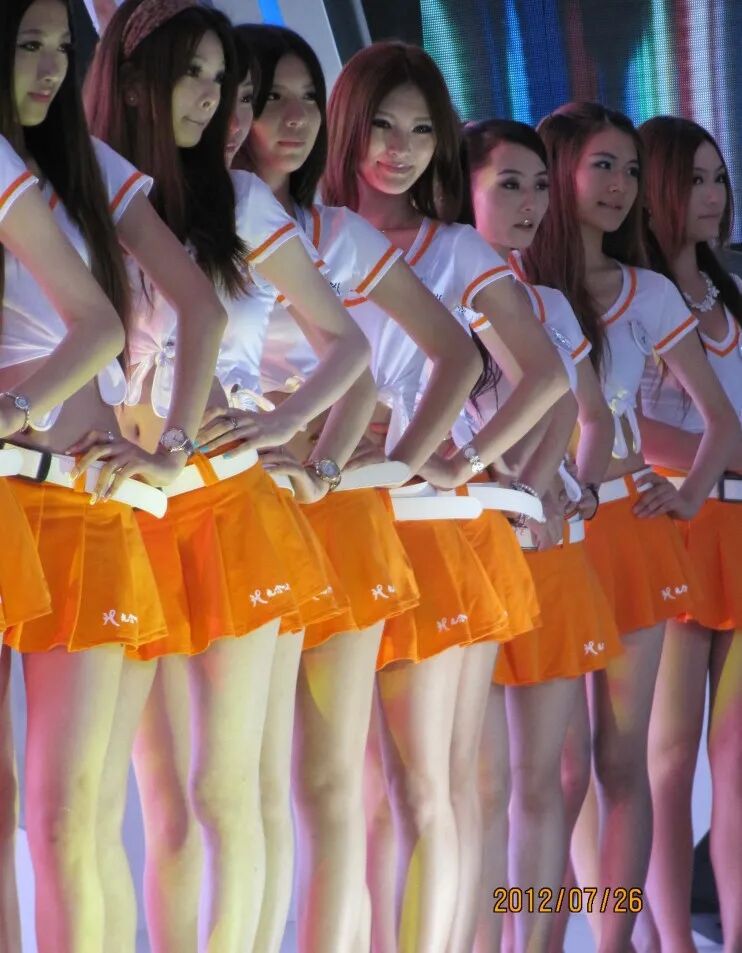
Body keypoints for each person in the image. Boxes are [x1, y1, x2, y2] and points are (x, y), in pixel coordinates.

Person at [85, 4, 371, 950]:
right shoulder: (86, 193)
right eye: (192, 74)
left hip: (228, 501)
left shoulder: (242, 201)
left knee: (227, 786)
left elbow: (347, 345)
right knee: (163, 795)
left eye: (221, 80)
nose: (211, 99)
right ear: (133, 82)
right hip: (129, 503)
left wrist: (281, 426)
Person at [238, 24, 493, 953]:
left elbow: (453, 357)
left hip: (336, 512)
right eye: (270, 99)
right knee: (242, 782)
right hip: (232, 508)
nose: (293, 119)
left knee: (336, 782)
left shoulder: (336, 234)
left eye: (307, 98)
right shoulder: (198, 217)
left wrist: (365, 459)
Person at [325, 42, 570, 953]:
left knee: (432, 785)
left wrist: (453, 459)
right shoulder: (307, 230)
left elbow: (545, 375)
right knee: (359, 789)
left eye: (422, 130)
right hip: (335, 515)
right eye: (383, 125)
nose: (400, 149)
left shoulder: (454, 247)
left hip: (430, 528)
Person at [1, 1, 229, 949]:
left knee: (71, 814)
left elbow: (192, 310)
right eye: (29, 45)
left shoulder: (87, 167)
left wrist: (172, 447)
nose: (50, 67)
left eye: (62, 47)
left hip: (79, 499)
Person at [522, 101, 739, 952]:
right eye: (601, 167)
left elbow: (718, 418)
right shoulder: (512, 286)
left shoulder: (647, 291)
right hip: (542, 540)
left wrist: (687, 496)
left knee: (623, 764)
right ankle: (547, 929)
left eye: (629, 170)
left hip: (630, 535)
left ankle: (616, 941)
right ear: (560, 171)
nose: (619, 186)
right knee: (555, 772)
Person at [459, 118, 620, 953]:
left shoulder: (550, 302)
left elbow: (585, 409)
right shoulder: (431, 285)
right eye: (508, 184)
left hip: (549, 556)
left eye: (539, 185)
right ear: (464, 188)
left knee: (542, 781)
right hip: (464, 552)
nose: (530, 203)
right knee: (478, 783)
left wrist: (573, 487)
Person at [637, 115, 742, 953]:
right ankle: (669, 939)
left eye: (718, 178)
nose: (711, 195)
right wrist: (725, 451)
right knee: (664, 762)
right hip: (671, 525)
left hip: (739, 529)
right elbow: (623, 423)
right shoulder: (631, 293)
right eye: (694, 179)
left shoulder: (725, 288)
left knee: (735, 759)